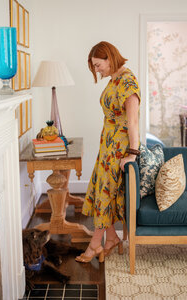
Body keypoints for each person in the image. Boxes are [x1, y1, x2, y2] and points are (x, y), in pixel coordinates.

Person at [75, 41, 141, 263]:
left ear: (109, 58)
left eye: (97, 64)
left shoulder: (128, 82)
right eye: (94, 66)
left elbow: (132, 122)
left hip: (119, 149)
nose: (96, 70)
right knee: (103, 192)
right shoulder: (114, 79)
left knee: (105, 194)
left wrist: (132, 153)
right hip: (107, 146)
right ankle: (112, 238)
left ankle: (95, 245)